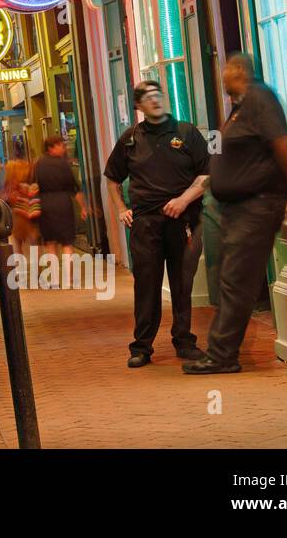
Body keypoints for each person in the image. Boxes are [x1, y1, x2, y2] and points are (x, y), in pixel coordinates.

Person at [185, 53, 287, 375]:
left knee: (237, 281)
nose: (221, 74)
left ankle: (223, 355)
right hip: (234, 208)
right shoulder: (239, 106)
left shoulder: (259, 98)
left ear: (238, 71)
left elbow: (282, 144)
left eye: (225, 69)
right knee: (229, 279)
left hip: (257, 205)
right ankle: (221, 352)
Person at [103, 81, 211, 367]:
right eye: (148, 97)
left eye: (158, 95)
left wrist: (184, 200)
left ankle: (184, 341)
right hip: (145, 222)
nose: (155, 100)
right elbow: (112, 178)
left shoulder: (187, 133)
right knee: (146, 283)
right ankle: (141, 347)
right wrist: (121, 209)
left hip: (183, 219)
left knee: (181, 281)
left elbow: (206, 176)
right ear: (138, 106)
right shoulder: (131, 139)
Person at [32, 136, 87, 285]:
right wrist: (83, 207)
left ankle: (55, 279)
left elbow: (32, 186)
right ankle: (68, 279)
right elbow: (74, 189)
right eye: (60, 145)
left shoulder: (38, 164)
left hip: (45, 205)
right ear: (51, 147)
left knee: (50, 244)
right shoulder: (64, 164)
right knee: (66, 244)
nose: (63, 148)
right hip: (63, 205)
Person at [0, 159, 40, 260]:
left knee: (18, 244)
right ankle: (38, 270)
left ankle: (21, 269)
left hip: (17, 217)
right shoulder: (28, 184)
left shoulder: (9, 184)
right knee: (34, 242)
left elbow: (5, 199)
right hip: (29, 215)